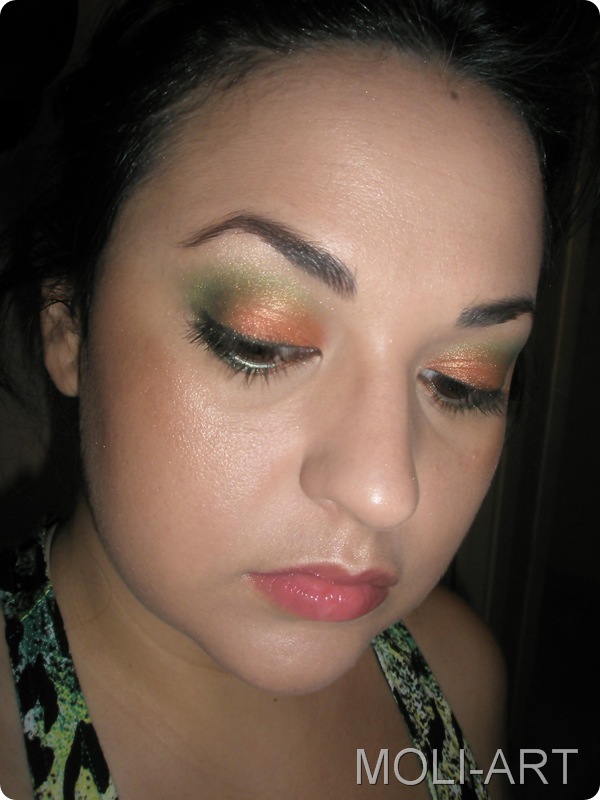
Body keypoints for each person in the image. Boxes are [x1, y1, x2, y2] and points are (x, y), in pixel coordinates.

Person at [0, 0, 598, 797]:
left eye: (464, 381)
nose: (385, 491)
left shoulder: (461, 680)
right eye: (261, 340)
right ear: (67, 322)